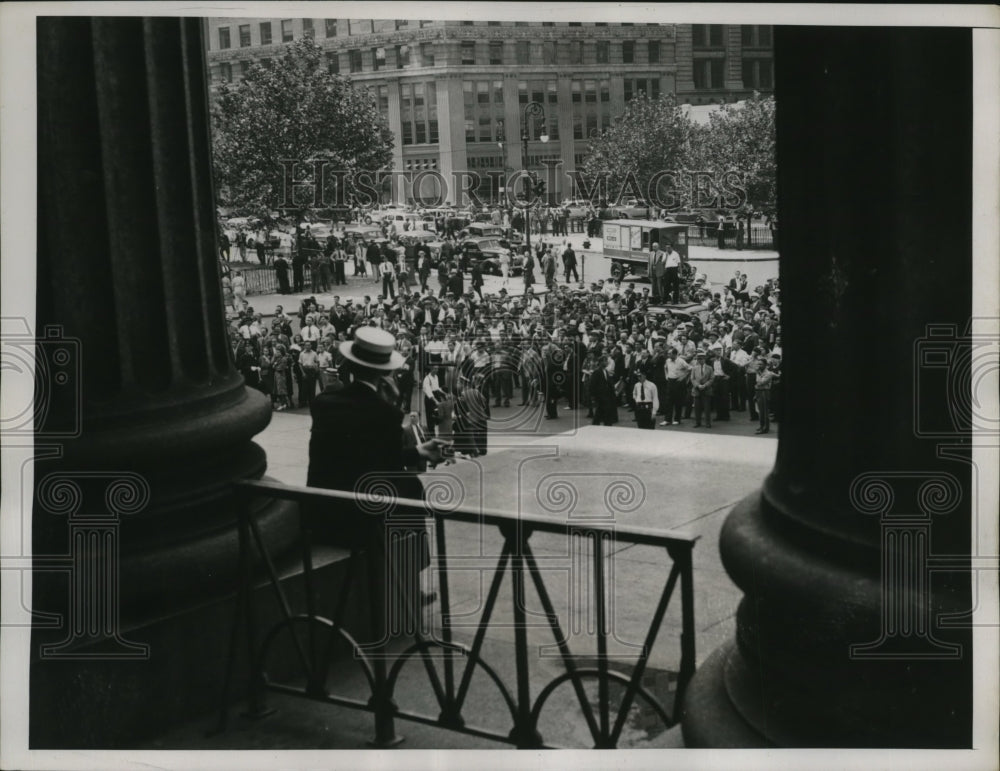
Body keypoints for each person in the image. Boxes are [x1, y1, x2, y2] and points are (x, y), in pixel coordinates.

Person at [306, 327, 450, 632]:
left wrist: (414, 450)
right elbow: (385, 467)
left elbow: (364, 456)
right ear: (384, 373)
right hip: (359, 515)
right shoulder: (382, 413)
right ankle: (411, 581)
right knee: (412, 488)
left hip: (321, 506)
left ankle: (411, 580)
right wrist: (396, 407)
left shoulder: (325, 403)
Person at [589, 354, 619, 426]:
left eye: (606, 361)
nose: (606, 363)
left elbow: (609, 383)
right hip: (600, 395)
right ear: (601, 362)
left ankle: (605, 423)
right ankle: (602, 424)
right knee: (601, 411)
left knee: (603, 411)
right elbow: (592, 385)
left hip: (607, 395)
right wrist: (593, 396)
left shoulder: (605, 371)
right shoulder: (597, 372)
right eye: (605, 361)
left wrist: (614, 391)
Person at [690, 350, 714, 428]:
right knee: (697, 407)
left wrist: (705, 385)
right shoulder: (694, 368)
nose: (700, 360)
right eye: (699, 359)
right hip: (697, 390)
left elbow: (711, 378)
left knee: (707, 407)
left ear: (705, 359)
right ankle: (698, 422)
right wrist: (697, 385)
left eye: (702, 359)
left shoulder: (709, 368)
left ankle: (708, 422)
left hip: (706, 389)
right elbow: (692, 379)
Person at [753, 357, 774, 434]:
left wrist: (758, 374)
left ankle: (765, 428)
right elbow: (757, 383)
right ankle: (762, 426)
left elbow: (760, 382)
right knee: (760, 411)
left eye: (761, 364)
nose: (759, 366)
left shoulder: (768, 373)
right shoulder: (759, 372)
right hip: (759, 391)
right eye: (758, 364)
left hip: (764, 392)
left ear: (765, 365)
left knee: (764, 411)